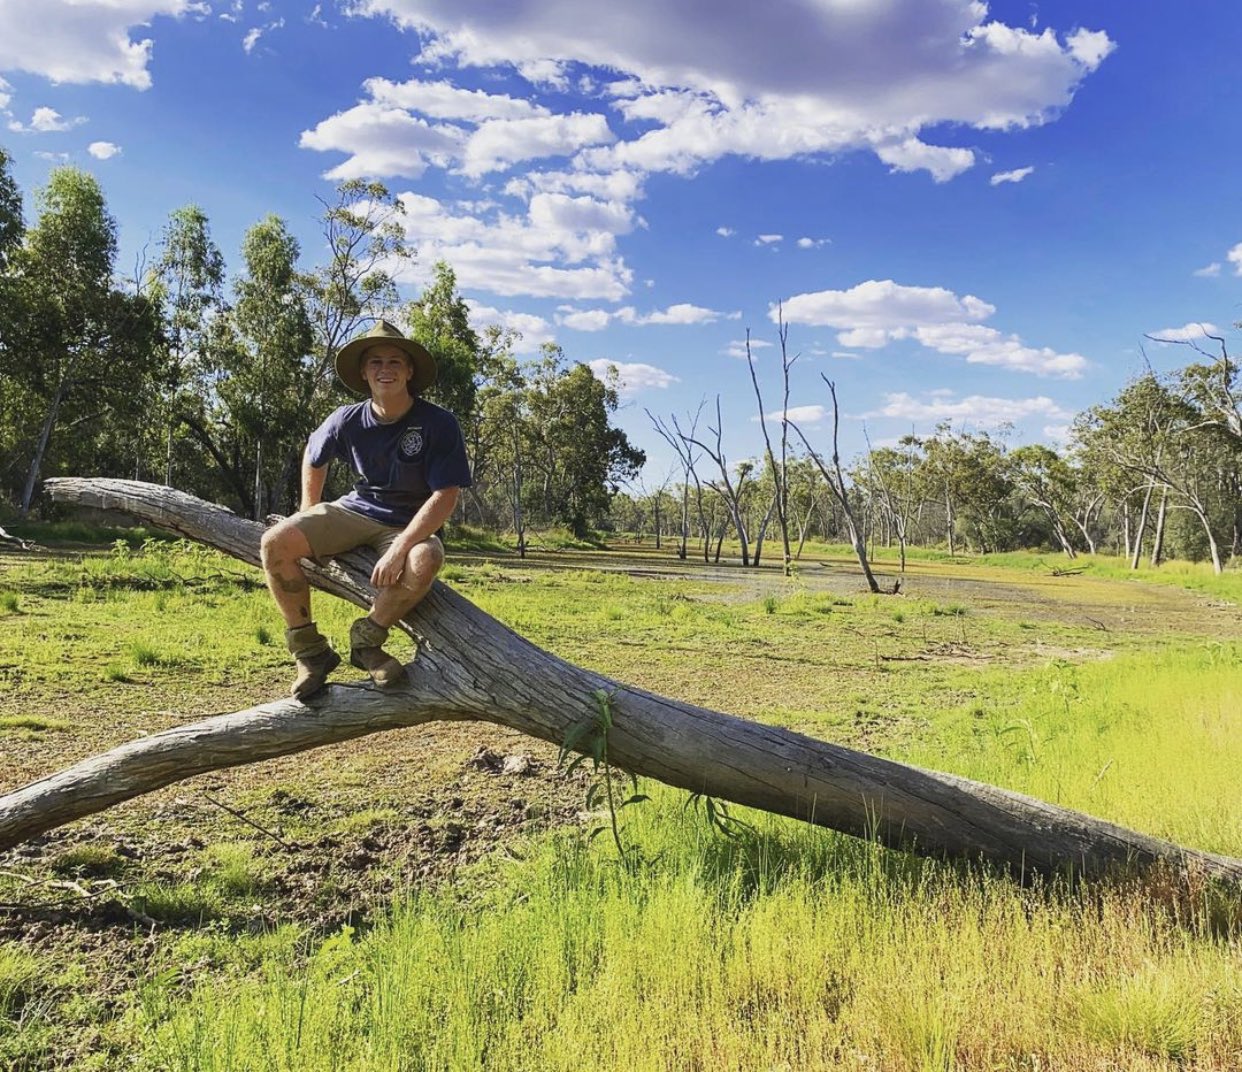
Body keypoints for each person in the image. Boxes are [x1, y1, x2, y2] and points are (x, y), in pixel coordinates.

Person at [260, 320, 472, 699]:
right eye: (375, 362)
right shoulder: (347, 418)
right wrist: (308, 509)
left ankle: (367, 642)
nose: (385, 369)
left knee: (424, 560)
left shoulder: (438, 423)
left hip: (411, 521)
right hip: (358, 509)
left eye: (394, 361)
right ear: (363, 372)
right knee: (276, 543)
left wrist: (399, 548)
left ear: (409, 371)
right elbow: (314, 452)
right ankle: (310, 652)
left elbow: (445, 496)